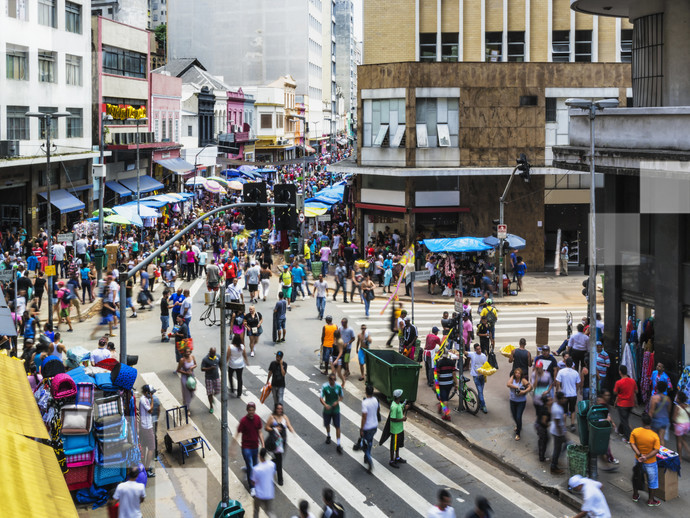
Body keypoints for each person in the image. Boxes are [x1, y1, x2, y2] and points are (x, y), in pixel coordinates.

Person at [630, 413, 662, 507]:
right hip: (651, 462)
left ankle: (635, 495)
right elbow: (656, 450)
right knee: (652, 481)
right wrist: (646, 457)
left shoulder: (635, 431)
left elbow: (632, 444)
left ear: (642, 422)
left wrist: (640, 455)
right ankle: (651, 500)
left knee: (636, 477)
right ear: (650, 423)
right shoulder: (654, 436)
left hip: (638, 460)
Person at [236, 402, 264, 497]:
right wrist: (232, 447)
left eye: (253, 410)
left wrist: (263, 444)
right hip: (246, 447)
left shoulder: (257, 419)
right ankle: (252, 487)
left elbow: (260, 432)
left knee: (255, 466)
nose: (251, 412)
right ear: (247, 410)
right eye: (250, 410)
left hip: (255, 446)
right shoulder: (243, 421)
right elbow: (238, 432)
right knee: (251, 467)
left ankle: (248, 471)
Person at [265, 403, 295, 486]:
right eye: (278, 408)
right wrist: (274, 429)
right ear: (275, 409)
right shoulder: (272, 417)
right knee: (279, 460)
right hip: (275, 441)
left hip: (283, 441)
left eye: (281, 408)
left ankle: (270, 464)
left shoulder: (284, 417)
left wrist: (291, 429)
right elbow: (266, 427)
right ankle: (280, 479)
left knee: (279, 458)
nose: (280, 410)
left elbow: (288, 425)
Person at [320, 372, 344, 454]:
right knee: (327, 424)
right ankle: (328, 435)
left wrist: (337, 402)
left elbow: (341, 397)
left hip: (336, 410)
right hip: (327, 410)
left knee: (337, 426)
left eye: (334, 379)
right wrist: (325, 405)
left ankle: (338, 444)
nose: (333, 381)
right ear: (329, 380)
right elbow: (321, 398)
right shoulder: (325, 387)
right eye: (331, 379)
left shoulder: (338, 387)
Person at [555, 357, 581, 432]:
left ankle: (564, 425)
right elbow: (578, 383)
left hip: (564, 395)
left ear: (565, 363)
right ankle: (572, 424)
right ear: (572, 364)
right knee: (572, 410)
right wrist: (576, 390)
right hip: (573, 394)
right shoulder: (575, 373)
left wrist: (557, 391)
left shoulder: (561, 372)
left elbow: (558, 382)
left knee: (564, 411)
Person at [614, 364, 638, 442]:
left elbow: (615, 392)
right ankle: (620, 430)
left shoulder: (619, 382)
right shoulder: (633, 381)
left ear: (620, 372)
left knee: (624, 420)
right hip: (630, 404)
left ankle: (628, 437)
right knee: (624, 418)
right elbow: (636, 391)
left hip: (622, 404)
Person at [507, 368, 531, 441]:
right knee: (514, 415)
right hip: (513, 400)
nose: (517, 374)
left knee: (518, 416)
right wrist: (517, 387)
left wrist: (524, 392)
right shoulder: (512, 378)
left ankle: (518, 433)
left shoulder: (523, 380)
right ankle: (518, 425)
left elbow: (530, 387)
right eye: (516, 373)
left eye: (519, 373)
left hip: (521, 401)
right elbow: (508, 384)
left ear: (521, 374)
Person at [360, 384, 379, 472]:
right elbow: (378, 410)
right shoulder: (375, 400)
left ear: (366, 392)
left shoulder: (365, 402)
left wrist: (361, 428)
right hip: (374, 426)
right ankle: (366, 457)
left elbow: (364, 417)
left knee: (364, 446)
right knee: (370, 442)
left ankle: (369, 460)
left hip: (367, 427)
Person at [389, 388, 409, 467]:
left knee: (398, 445)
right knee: (393, 445)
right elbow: (392, 418)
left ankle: (397, 457)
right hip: (395, 430)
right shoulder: (394, 406)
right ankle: (391, 460)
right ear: (399, 396)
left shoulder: (399, 405)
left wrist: (405, 408)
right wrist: (402, 419)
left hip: (400, 429)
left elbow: (401, 411)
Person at [139, 385, 157, 478]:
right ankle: (146, 469)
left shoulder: (144, 399)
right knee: (152, 447)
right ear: (147, 393)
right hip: (147, 427)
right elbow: (150, 410)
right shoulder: (143, 400)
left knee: (145, 446)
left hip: (145, 426)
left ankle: (145, 466)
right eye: (151, 393)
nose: (152, 395)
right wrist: (152, 400)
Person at [466, 343, 488, 414]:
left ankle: (480, 404)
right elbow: (464, 352)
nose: (479, 350)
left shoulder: (484, 356)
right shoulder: (472, 354)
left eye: (480, 349)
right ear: (475, 350)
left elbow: (485, 365)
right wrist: (463, 344)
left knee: (480, 391)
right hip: (476, 376)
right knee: (480, 391)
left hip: (482, 376)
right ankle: (484, 406)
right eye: (477, 349)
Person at [436, 349, 457, 421]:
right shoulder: (452, 362)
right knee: (445, 397)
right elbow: (454, 374)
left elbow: (438, 374)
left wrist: (436, 383)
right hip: (450, 383)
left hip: (442, 384)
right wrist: (456, 384)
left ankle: (447, 415)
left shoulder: (439, 363)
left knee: (444, 399)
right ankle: (441, 408)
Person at [649, 380, 672, 447]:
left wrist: (648, 422)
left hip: (656, 420)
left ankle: (653, 453)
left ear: (657, 388)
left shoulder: (654, 398)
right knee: (661, 439)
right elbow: (669, 410)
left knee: (653, 438)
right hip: (665, 421)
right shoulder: (668, 399)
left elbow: (651, 411)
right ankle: (661, 454)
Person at [550, 391, 568, 475]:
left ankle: (557, 460)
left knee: (562, 446)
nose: (565, 399)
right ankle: (553, 466)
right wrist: (562, 434)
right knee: (557, 449)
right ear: (560, 399)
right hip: (558, 433)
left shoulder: (557, 405)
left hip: (558, 431)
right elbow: (558, 424)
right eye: (563, 398)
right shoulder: (557, 409)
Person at [176, 346, 196, 418]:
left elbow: (195, 364)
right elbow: (178, 370)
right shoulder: (182, 360)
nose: (188, 353)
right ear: (184, 353)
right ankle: (187, 409)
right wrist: (185, 372)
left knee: (192, 393)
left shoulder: (192, 357)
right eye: (186, 352)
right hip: (185, 378)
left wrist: (192, 367)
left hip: (192, 376)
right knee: (187, 393)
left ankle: (185, 403)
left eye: (189, 352)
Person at [200, 347, 221, 413]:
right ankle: (211, 406)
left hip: (216, 377)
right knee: (209, 392)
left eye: (214, 353)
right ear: (209, 352)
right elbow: (202, 369)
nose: (213, 354)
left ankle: (212, 397)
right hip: (209, 378)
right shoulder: (205, 359)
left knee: (218, 390)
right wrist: (210, 368)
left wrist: (222, 372)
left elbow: (220, 364)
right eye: (212, 353)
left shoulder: (217, 357)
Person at [672, 391, 690, 459]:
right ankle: (688, 452)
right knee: (683, 439)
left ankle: (679, 457)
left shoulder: (677, 407)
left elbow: (674, 418)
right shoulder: (688, 406)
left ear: (679, 399)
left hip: (680, 426)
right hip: (687, 425)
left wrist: (674, 422)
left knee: (679, 441)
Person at [535, 393, 553, 463]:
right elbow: (543, 421)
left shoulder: (546, 407)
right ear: (547, 403)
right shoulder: (545, 411)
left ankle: (541, 453)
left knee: (544, 440)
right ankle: (541, 457)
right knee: (544, 440)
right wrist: (549, 424)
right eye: (550, 400)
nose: (551, 401)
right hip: (541, 427)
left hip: (540, 426)